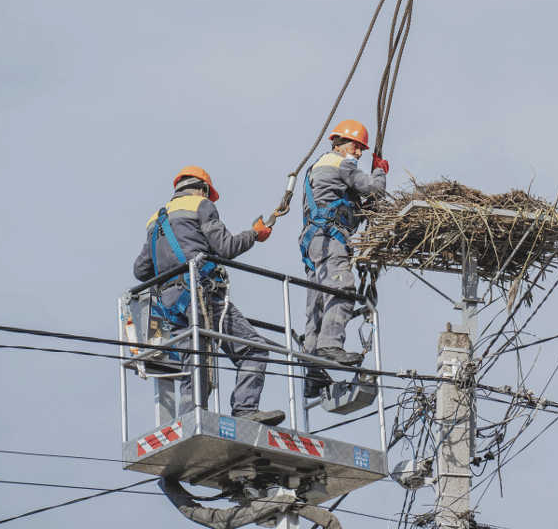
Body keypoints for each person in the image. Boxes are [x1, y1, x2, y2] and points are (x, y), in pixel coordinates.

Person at [133, 166, 286, 425]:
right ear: (203, 188)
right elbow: (225, 247)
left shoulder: (155, 219)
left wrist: (172, 274)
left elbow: (140, 270)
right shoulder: (201, 205)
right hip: (201, 296)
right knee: (254, 349)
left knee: (194, 367)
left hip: (171, 305)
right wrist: (254, 234)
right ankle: (245, 409)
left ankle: (188, 421)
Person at [299, 120, 387, 395]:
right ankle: (330, 345)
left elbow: (355, 202)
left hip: (315, 243)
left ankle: (313, 373)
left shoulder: (319, 167)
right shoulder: (341, 163)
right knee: (343, 287)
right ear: (338, 142)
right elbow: (374, 190)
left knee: (317, 303)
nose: (358, 152)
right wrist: (379, 171)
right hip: (330, 239)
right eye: (355, 145)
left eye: (361, 148)